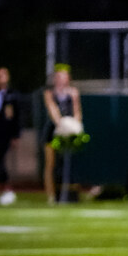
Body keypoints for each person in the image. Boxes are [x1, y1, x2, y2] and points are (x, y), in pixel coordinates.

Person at [42, 64, 82, 204]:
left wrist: (75, 127)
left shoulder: (73, 92)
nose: (61, 79)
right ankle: (51, 195)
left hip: (69, 132)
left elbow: (77, 112)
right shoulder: (49, 93)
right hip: (53, 131)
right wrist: (62, 125)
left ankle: (70, 194)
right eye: (58, 76)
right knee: (50, 164)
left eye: (63, 76)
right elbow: (53, 111)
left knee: (69, 162)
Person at [0, 67, 20, 205]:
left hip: (4, 134)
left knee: (0, 160)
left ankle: (6, 189)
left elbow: (16, 117)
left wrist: (15, 135)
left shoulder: (12, 95)